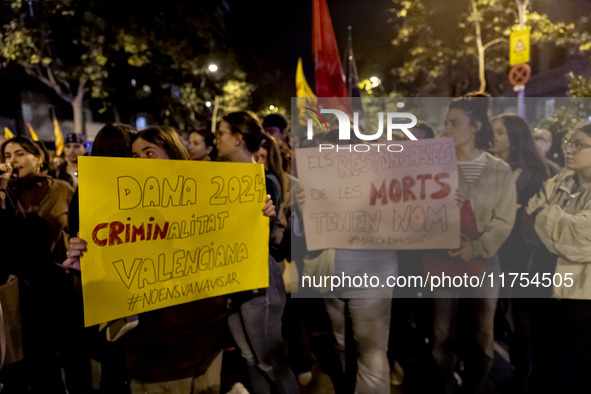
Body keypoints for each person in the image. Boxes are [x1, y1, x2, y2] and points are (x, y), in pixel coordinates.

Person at [65, 125, 277, 394]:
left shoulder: (209, 199)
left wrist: (258, 215)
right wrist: (83, 267)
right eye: (134, 155)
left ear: (173, 155)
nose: (140, 161)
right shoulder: (114, 214)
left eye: (149, 153)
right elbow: (105, 287)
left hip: (206, 343)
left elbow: (233, 249)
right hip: (155, 356)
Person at [434, 97, 516, 394]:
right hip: (442, 262)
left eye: (455, 123)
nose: (447, 129)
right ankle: (446, 384)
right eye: (446, 123)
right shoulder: (434, 167)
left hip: (483, 263)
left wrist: (477, 247)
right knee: (440, 334)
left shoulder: (499, 170)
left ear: (475, 127)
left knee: (482, 338)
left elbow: (504, 221)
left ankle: (473, 387)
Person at [215, 111, 300, 394]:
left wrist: (268, 217)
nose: (216, 139)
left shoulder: (264, 182)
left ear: (238, 139)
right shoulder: (216, 179)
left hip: (258, 282)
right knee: (250, 359)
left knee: (270, 362)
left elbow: (268, 240)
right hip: (230, 281)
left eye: (221, 133)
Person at [0, 136, 82, 393]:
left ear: (39, 158)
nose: (13, 160)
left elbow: (78, 229)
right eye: (7, 155)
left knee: (75, 358)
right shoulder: (6, 194)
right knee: (41, 364)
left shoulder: (62, 189)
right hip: (26, 290)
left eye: (20, 153)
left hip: (61, 284)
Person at [524, 122, 591, 393]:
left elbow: (578, 239)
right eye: (567, 144)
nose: (569, 150)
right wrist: (554, 223)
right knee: (542, 368)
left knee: (573, 373)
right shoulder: (559, 180)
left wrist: (544, 215)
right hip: (543, 287)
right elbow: (525, 225)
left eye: (579, 144)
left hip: (580, 300)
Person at [489, 114, 549, 392]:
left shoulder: (539, 173)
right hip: (494, 251)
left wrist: (520, 211)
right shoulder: (490, 167)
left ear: (514, 138)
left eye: (500, 132)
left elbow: (539, 217)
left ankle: (525, 372)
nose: (494, 137)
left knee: (521, 314)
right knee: (507, 312)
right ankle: (518, 366)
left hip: (521, 256)